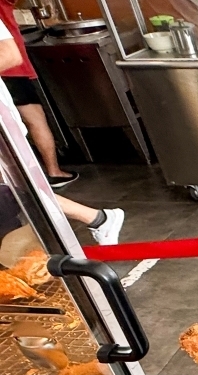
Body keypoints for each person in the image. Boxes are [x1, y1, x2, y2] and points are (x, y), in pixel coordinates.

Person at [0, 18, 123, 244]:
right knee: (12, 189)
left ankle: (98, 219)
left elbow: (10, 53)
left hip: (3, 126)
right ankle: (98, 219)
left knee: (13, 188)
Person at [0, 0, 78, 188]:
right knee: (35, 119)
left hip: (7, 68)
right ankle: (53, 172)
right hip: (13, 70)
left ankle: (21, 180)